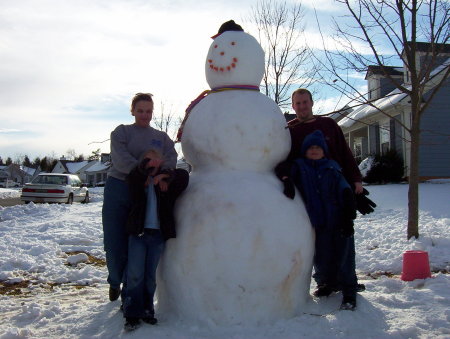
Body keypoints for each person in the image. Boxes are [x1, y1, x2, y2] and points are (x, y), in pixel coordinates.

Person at [102, 93, 177, 304]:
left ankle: (130, 290)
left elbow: (171, 157)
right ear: (132, 111)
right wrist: (143, 171)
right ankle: (115, 279)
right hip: (120, 188)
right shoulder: (122, 132)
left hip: (146, 193)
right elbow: (121, 159)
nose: (145, 115)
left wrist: (164, 173)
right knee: (114, 243)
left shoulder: (161, 137)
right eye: (140, 110)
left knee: (136, 243)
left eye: (149, 111)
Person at [277, 130, 359, 310]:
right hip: (318, 222)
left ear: (324, 151)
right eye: (310, 148)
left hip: (339, 221)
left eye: (318, 148)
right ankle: (326, 284)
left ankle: (349, 292)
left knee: (345, 257)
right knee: (322, 257)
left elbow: (345, 190)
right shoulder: (300, 166)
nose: (314, 150)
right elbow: (282, 167)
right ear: (305, 151)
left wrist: (348, 217)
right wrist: (286, 180)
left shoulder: (332, 167)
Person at [122, 148, 189, 331]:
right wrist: (144, 169)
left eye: (155, 160)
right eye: (147, 160)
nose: (151, 163)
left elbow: (184, 176)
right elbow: (132, 177)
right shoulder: (138, 180)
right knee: (135, 275)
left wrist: (164, 176)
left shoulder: (166, 182)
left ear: (160, 163)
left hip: (157, 235)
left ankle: (147, 310)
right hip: (138, 234)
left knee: (150, 277)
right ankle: (132, 314)